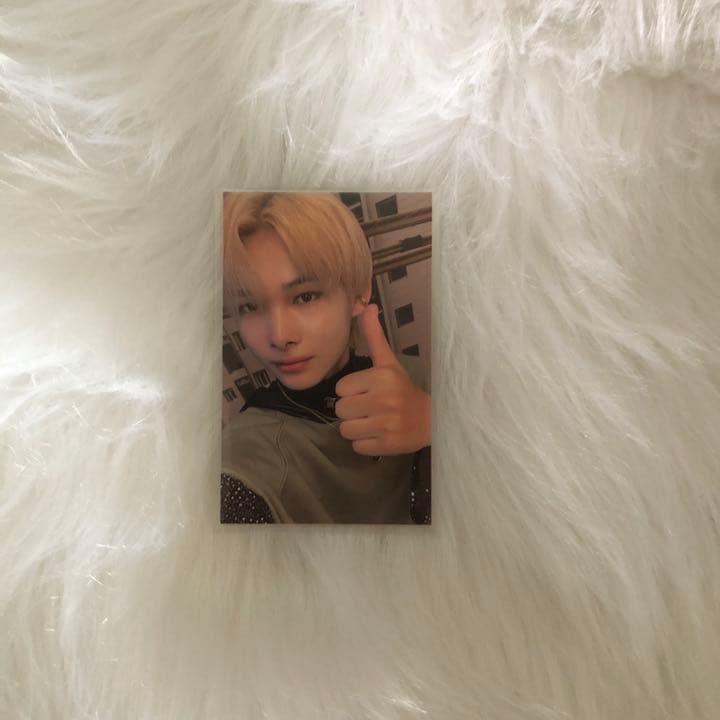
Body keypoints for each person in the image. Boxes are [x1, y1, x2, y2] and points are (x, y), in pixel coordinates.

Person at [221, 192, 431, 524]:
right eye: (250, 306)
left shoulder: (426, 379)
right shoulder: (246, 456)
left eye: (305, 296)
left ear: (359, 293)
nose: (279, 336)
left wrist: (435, 422)